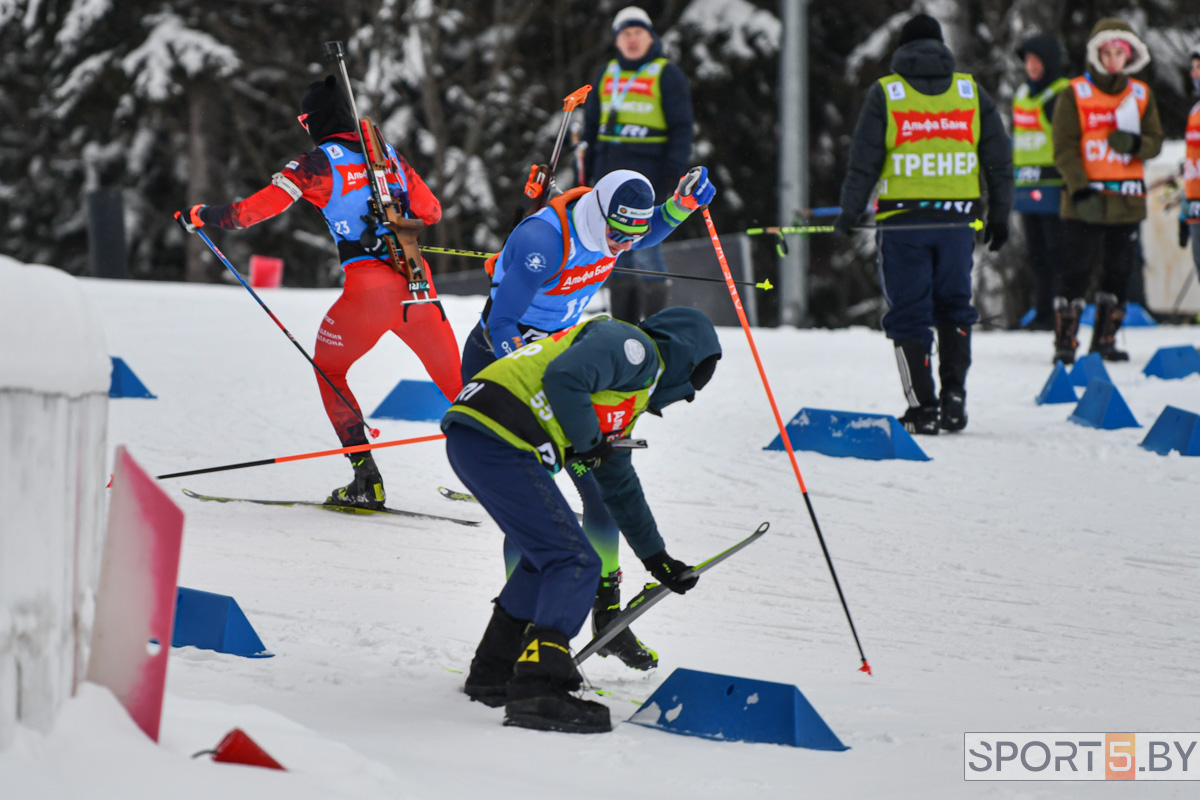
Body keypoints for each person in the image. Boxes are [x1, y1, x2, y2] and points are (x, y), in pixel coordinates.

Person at [459, 166, 714, 672]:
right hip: (509, 358)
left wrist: (681, 205)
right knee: (536, 501)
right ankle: (524, 627)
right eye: (616, 234)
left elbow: (651, 226)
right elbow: (503, 321)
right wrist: (526, 362)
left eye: (631, 237)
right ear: (599, 214)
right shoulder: (543, 239)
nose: (621, 247)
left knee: (599, 490)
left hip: (566, 363)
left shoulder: (615, 230)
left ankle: (607, 615)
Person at [176, 76, 461, 506]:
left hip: (367, 296)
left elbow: (250, 213)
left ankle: (367, 479)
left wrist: (203, 215)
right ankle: (517, 469)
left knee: (330, 368)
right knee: (463, 388)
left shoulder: (315, 164)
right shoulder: (388, 157)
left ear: (314, 121)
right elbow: (431, 211)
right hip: (420, 292)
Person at [444, 306, 721, 733]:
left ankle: (492, 672)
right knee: (576, 561)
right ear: (688, 359)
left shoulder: (630, 393)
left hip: (485, 437)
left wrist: (657, 558)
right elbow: (564, 378)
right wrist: (590, 443)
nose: (689, 395)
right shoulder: (634, 349)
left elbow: (618, 482)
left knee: (545, 559)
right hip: (500, 435)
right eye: (697, 380)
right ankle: (539, 688)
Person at [834, 13, 1013, 434]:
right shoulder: (970, 92)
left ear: (902, 50)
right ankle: (954, 398)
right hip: (957, 223)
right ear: (941, 49)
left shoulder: (888, 92)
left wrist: (849, 211)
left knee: (909, 314)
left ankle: (923, 408)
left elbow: (864, 162)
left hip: (903, 224)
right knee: (954, 306)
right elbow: (999, 159)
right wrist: (1001, 215)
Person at [1050, 18, 1163, 364]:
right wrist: (1079, 189)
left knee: (1119, 271)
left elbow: (1155, 142)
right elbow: (1064, 147)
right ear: (1096, 54)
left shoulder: (1141, 94)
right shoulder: (1075, 92)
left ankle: (1105, 339)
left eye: (1120, 53)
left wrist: (1134, 144)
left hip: (1127, 200)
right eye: (1107, 52)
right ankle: (1065, 342)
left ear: (1130, 55)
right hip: (1086, 199)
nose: (1114, 59)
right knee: (1076, 269)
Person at [582, 5, 695, 324]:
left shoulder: (665, 72)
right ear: (617, 40)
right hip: (607, 176)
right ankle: (623, 324)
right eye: (626, 34)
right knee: (612, 248)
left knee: (645, 248)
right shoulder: (606, 73)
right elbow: (592, 127)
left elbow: (682, 128)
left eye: (638, 33)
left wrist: (672, 176)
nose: (632, 40)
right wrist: (588, 172)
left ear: (650, 37)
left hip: (650, 176)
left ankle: (654, 324)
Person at [1012, 34, 1071, 331]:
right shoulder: (1023, 94)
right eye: (1028, 61)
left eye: (1037, 60)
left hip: (1055, 185)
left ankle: (1060, 311)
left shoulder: (1061, 93)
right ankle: (1043, 311)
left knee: (1057, 252)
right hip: (1026, 184)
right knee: (1036, 255)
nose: (1031, 66)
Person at [1179, 45, 1200, 286]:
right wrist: (1185, 210)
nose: (1194, 74)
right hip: (1196, 209)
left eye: (1199, 68)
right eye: (1193, 68)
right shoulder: (1195, 111)